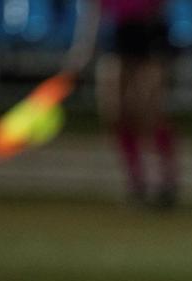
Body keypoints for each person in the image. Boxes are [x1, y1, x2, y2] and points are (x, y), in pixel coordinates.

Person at [63, 0, 179, 208]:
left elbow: (159, 10)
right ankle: (137, 181)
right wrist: (82, 50)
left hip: (147, 39)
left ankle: (165, 180)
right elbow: (94, 13)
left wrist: (160, 46)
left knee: (148, 113)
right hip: (117, 40)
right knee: (117, 113)